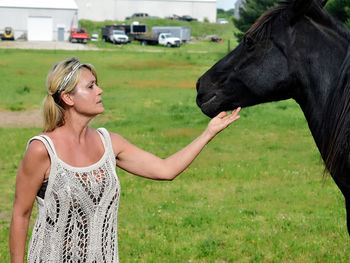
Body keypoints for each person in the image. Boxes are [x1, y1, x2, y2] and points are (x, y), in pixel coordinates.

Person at [9, 57, 241, 262]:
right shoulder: (42, 150)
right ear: (68, 98)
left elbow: (165, 169)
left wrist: (208, 133)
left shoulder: (110, 143)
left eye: (97, 84)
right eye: (90, 86)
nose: (100, 91)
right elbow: (21, 215)